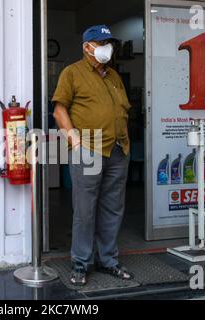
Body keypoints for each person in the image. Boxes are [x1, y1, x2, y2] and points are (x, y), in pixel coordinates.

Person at [52, 25, 133, 286]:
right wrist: (74, 140)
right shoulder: (72, 73)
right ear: (88, 46)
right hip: (89, 147)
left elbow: (122, 110)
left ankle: (108, 260)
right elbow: (59, 109)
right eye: (102, 43)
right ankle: (81, 262)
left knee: (112, 208)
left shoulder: (113, 76)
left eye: (109, 42)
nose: (107, 47)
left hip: (118, 149)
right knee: (85, 210)